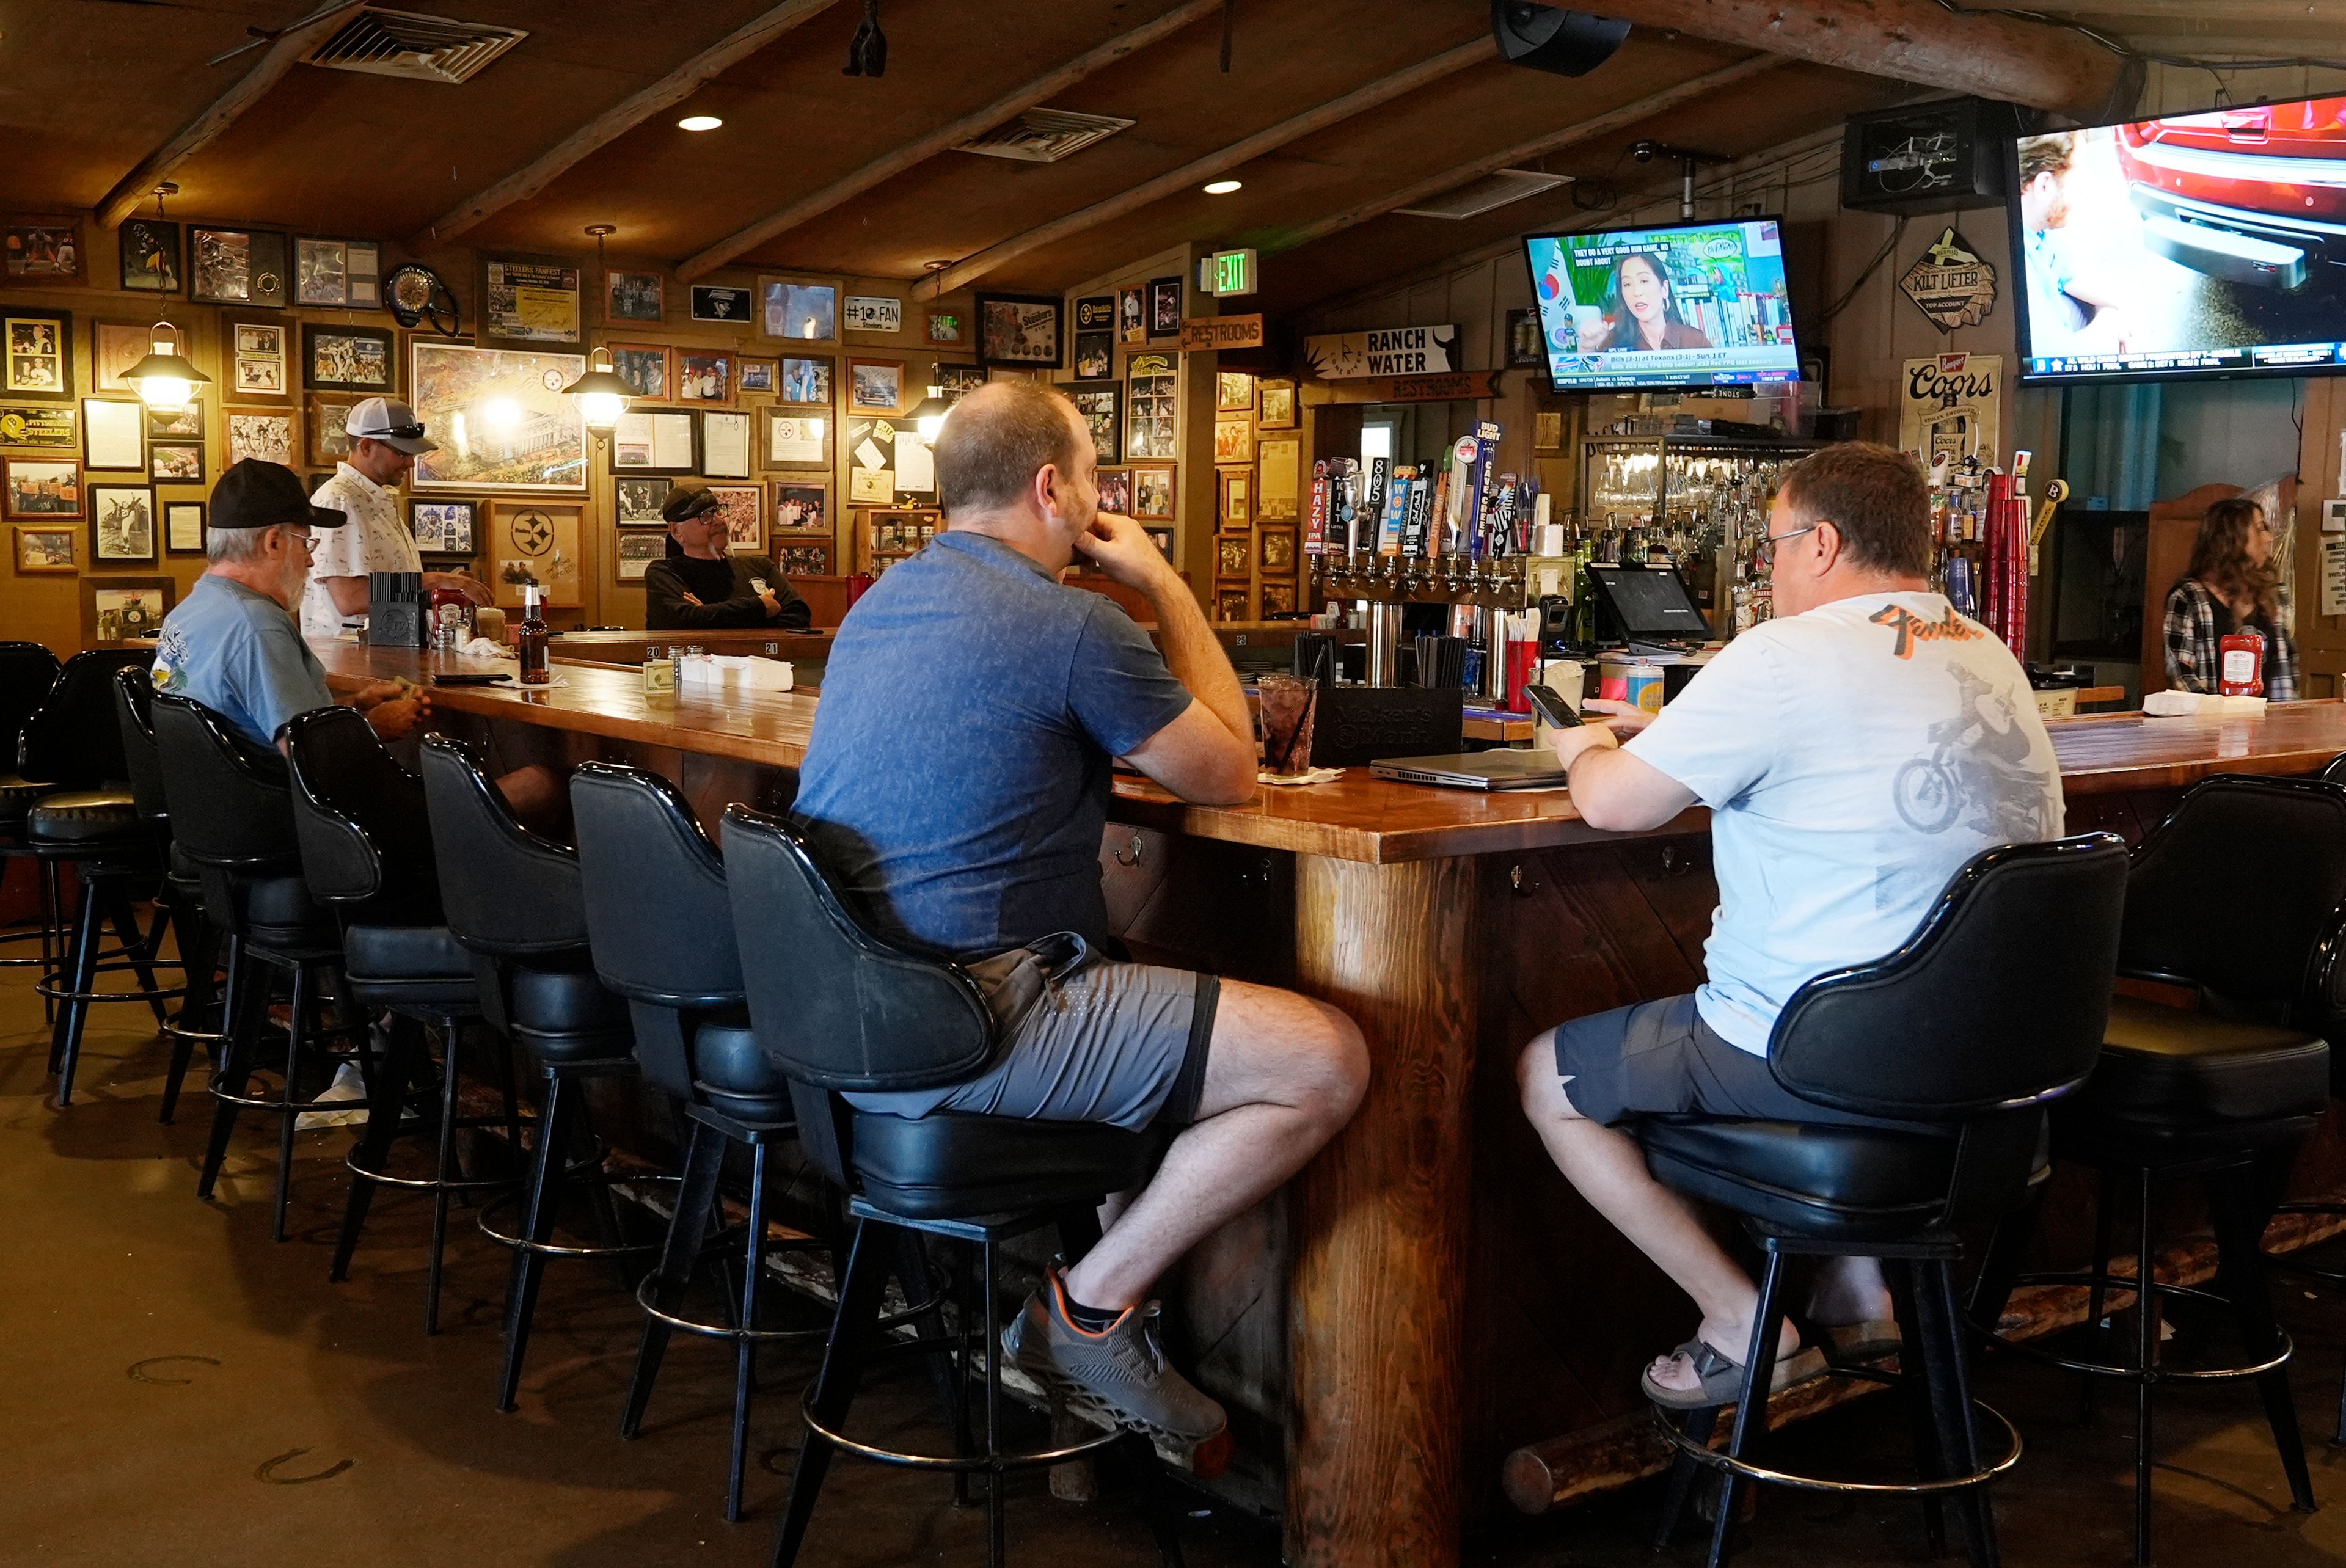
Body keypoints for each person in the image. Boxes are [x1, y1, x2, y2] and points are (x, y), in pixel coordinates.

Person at [792, 381, 1368, 1447]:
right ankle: (1087, 1313)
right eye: (1097, 477)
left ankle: (1102, 1314)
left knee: (1127, 977)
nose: (1104, 503)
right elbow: (1230, 772)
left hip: (845, 1010)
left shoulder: (878, 602)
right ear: (1054, 488)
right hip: (970, 1019)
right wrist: (1163, 580)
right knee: (1324, 1058)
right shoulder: (1071, 622)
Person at [1517, 442, 2063, 1409]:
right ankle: (1859, 1284)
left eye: (1773, 547)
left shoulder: (1782, 655)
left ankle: (1739, 1323)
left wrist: (1584, 742)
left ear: (1823, 542)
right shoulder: (1989, 653)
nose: (1769, 572)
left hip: (1821, 1052)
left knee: (1547, 1079)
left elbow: (1613, 805)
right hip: (1995, 1072)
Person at [153, 459, 426, 753]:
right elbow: (310, 753)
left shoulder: (189, 611)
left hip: (206, 796)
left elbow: (264, 722)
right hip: (274, 795)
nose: (310, 560)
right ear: (273, 543)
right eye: (305, 543)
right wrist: (373, 726)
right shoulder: (259, 627)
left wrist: (354, 707)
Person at [302, 396, 491, 640]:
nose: (411, 463)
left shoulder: (372, 498)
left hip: (379, 661)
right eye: (402, 453)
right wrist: (435, 581)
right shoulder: (339, 501)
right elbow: (351, 599)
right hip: (351, 665)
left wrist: (447, 588)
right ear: (366, 447)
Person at [2165, 494, 2298, 699]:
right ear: (2231, 537)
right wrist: (2221, 714)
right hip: (2211, 724)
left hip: (2270, 723)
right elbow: (2181, 675)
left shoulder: (2276, 595)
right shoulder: (2189, 598)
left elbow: (2289, 665)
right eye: (2260, 528)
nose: (2269, 538)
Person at [2016, 132, 2134, 357]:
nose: (2083, 191)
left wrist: (2119, 306)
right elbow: (2055, 359)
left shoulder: (2038, 232)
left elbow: (2067, 271)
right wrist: (2111, 321)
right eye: (2078, 178)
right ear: (2044, 185)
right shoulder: (2019, 265)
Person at [643, 482, 811, 631]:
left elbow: (799, 615)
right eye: (705, 516)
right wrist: (760, 606)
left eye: (717, 511)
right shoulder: (664, 573)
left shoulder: (760, 567)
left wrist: (708, 614)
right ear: (676, 530)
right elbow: (681, 621)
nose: (719, 521)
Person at [1584, 252, 1712, 353]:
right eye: (1627, 284)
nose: (1637, 292)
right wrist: (1586, 349)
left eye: (1644, 281)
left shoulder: (1695, 341)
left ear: (1665, 289)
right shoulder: (1612, 342)